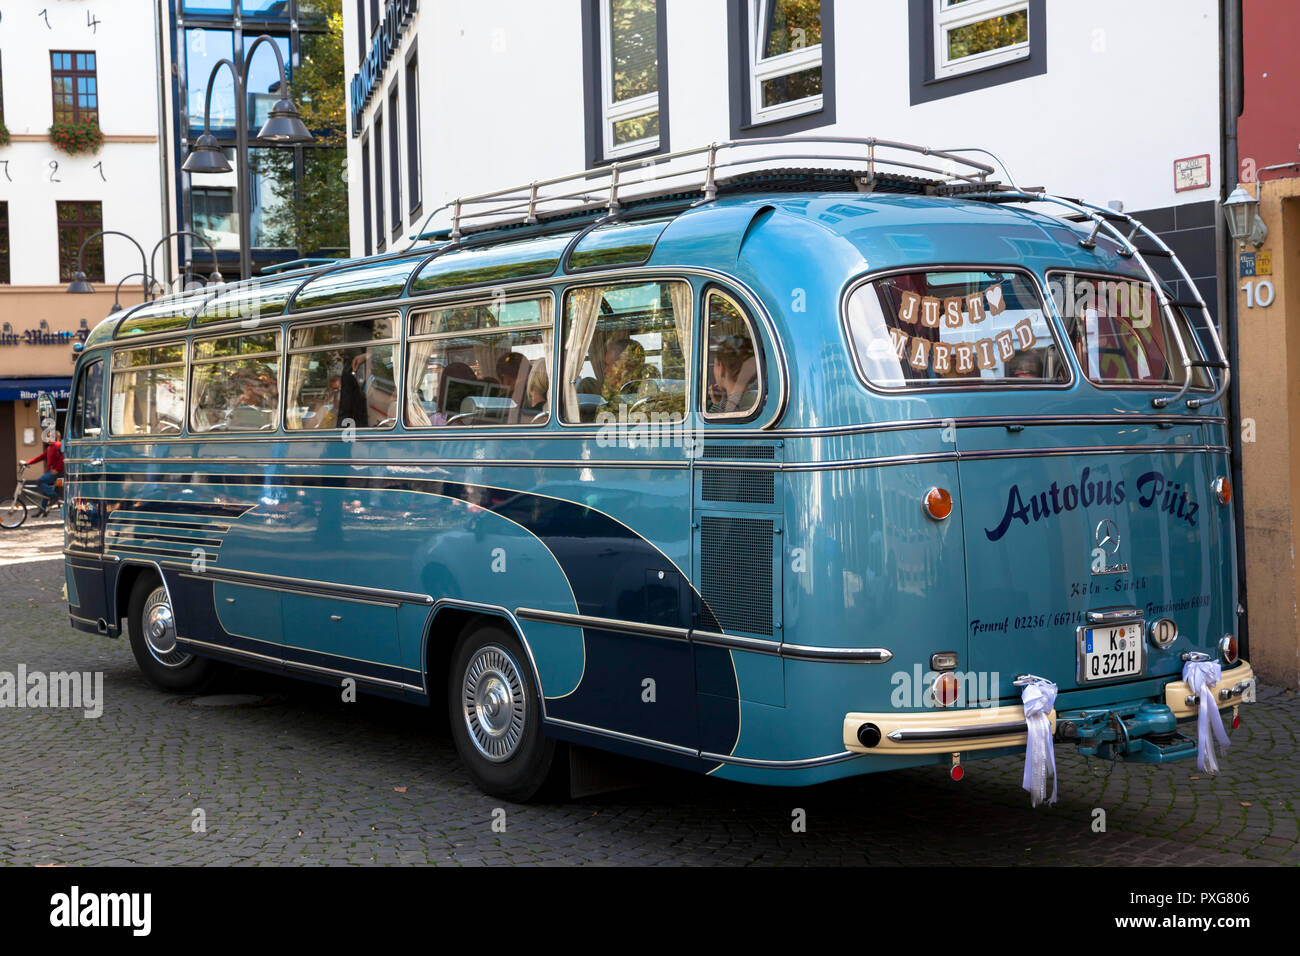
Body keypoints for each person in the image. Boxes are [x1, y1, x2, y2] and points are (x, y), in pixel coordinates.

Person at [707, 335, 757, 414]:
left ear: (722, 369)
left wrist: (718, 406)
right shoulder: (759, 401)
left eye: (715, 364)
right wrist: (719, 402)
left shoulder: (717, 412)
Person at [22, 431, 64, 518]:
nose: (48, 438)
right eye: (47, 437)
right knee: (45, 493)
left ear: (56, 437)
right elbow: (40, 457)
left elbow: (63, 457)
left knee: (40, 481)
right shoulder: (49, 448)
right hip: (51, 472)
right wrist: (27, 462)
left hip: (58, 473)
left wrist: (57, 469)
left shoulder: (58, 445)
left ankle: (54, 496)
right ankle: (42, 511)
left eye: (50, 437)